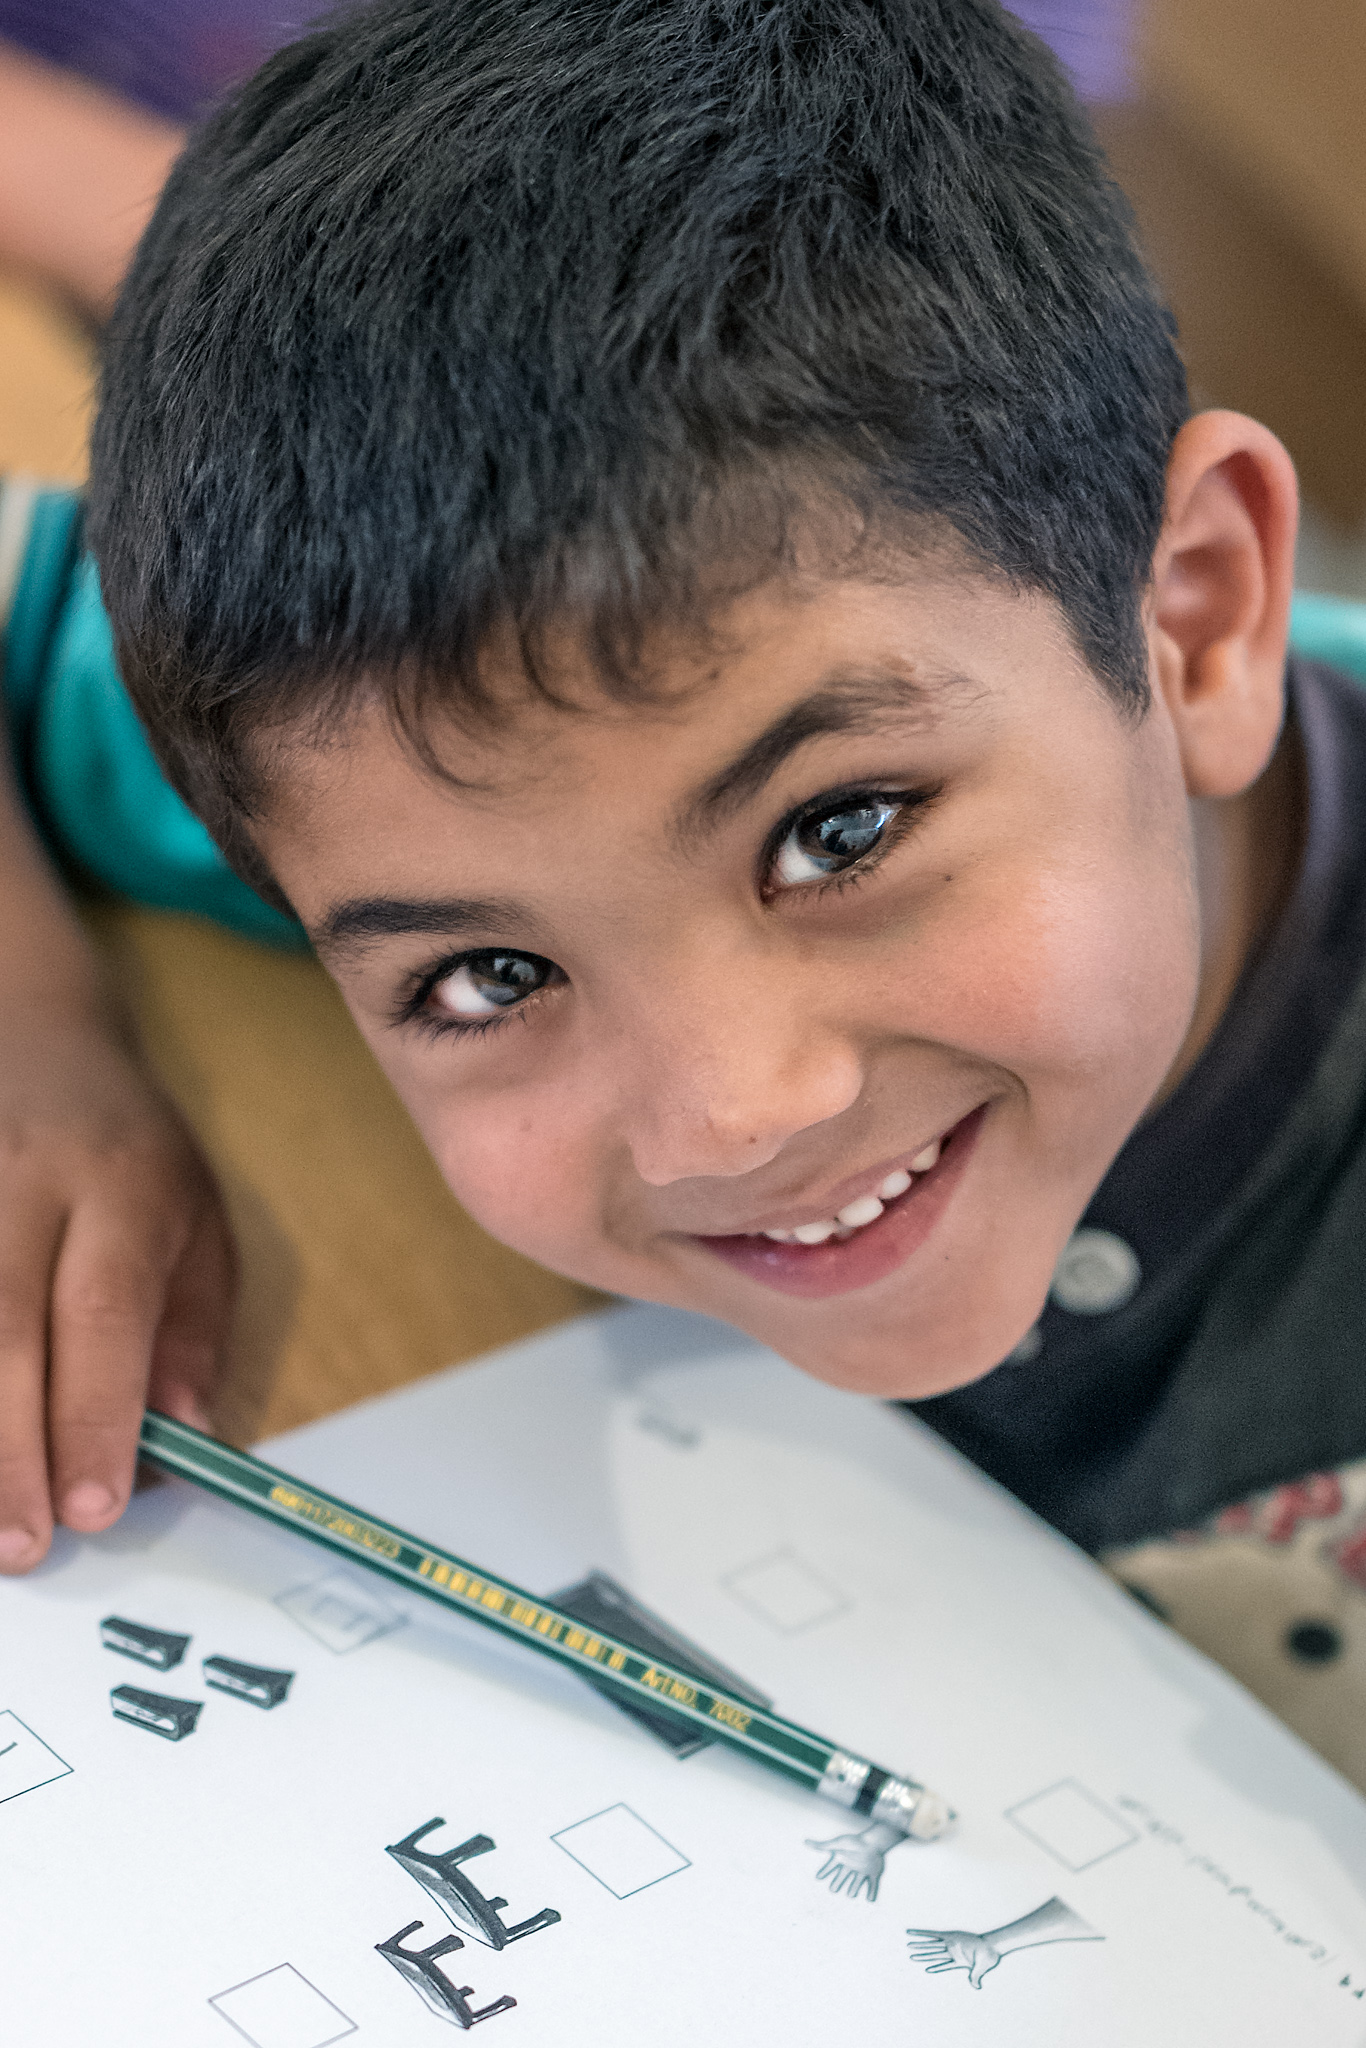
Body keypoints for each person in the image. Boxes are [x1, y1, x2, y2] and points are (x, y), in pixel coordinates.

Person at [3, 0, 1366, 1669]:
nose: (725, 1119)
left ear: (1195, 620)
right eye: (492, 978)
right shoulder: (393, 752)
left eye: (837, 833)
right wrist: (36, 1034)